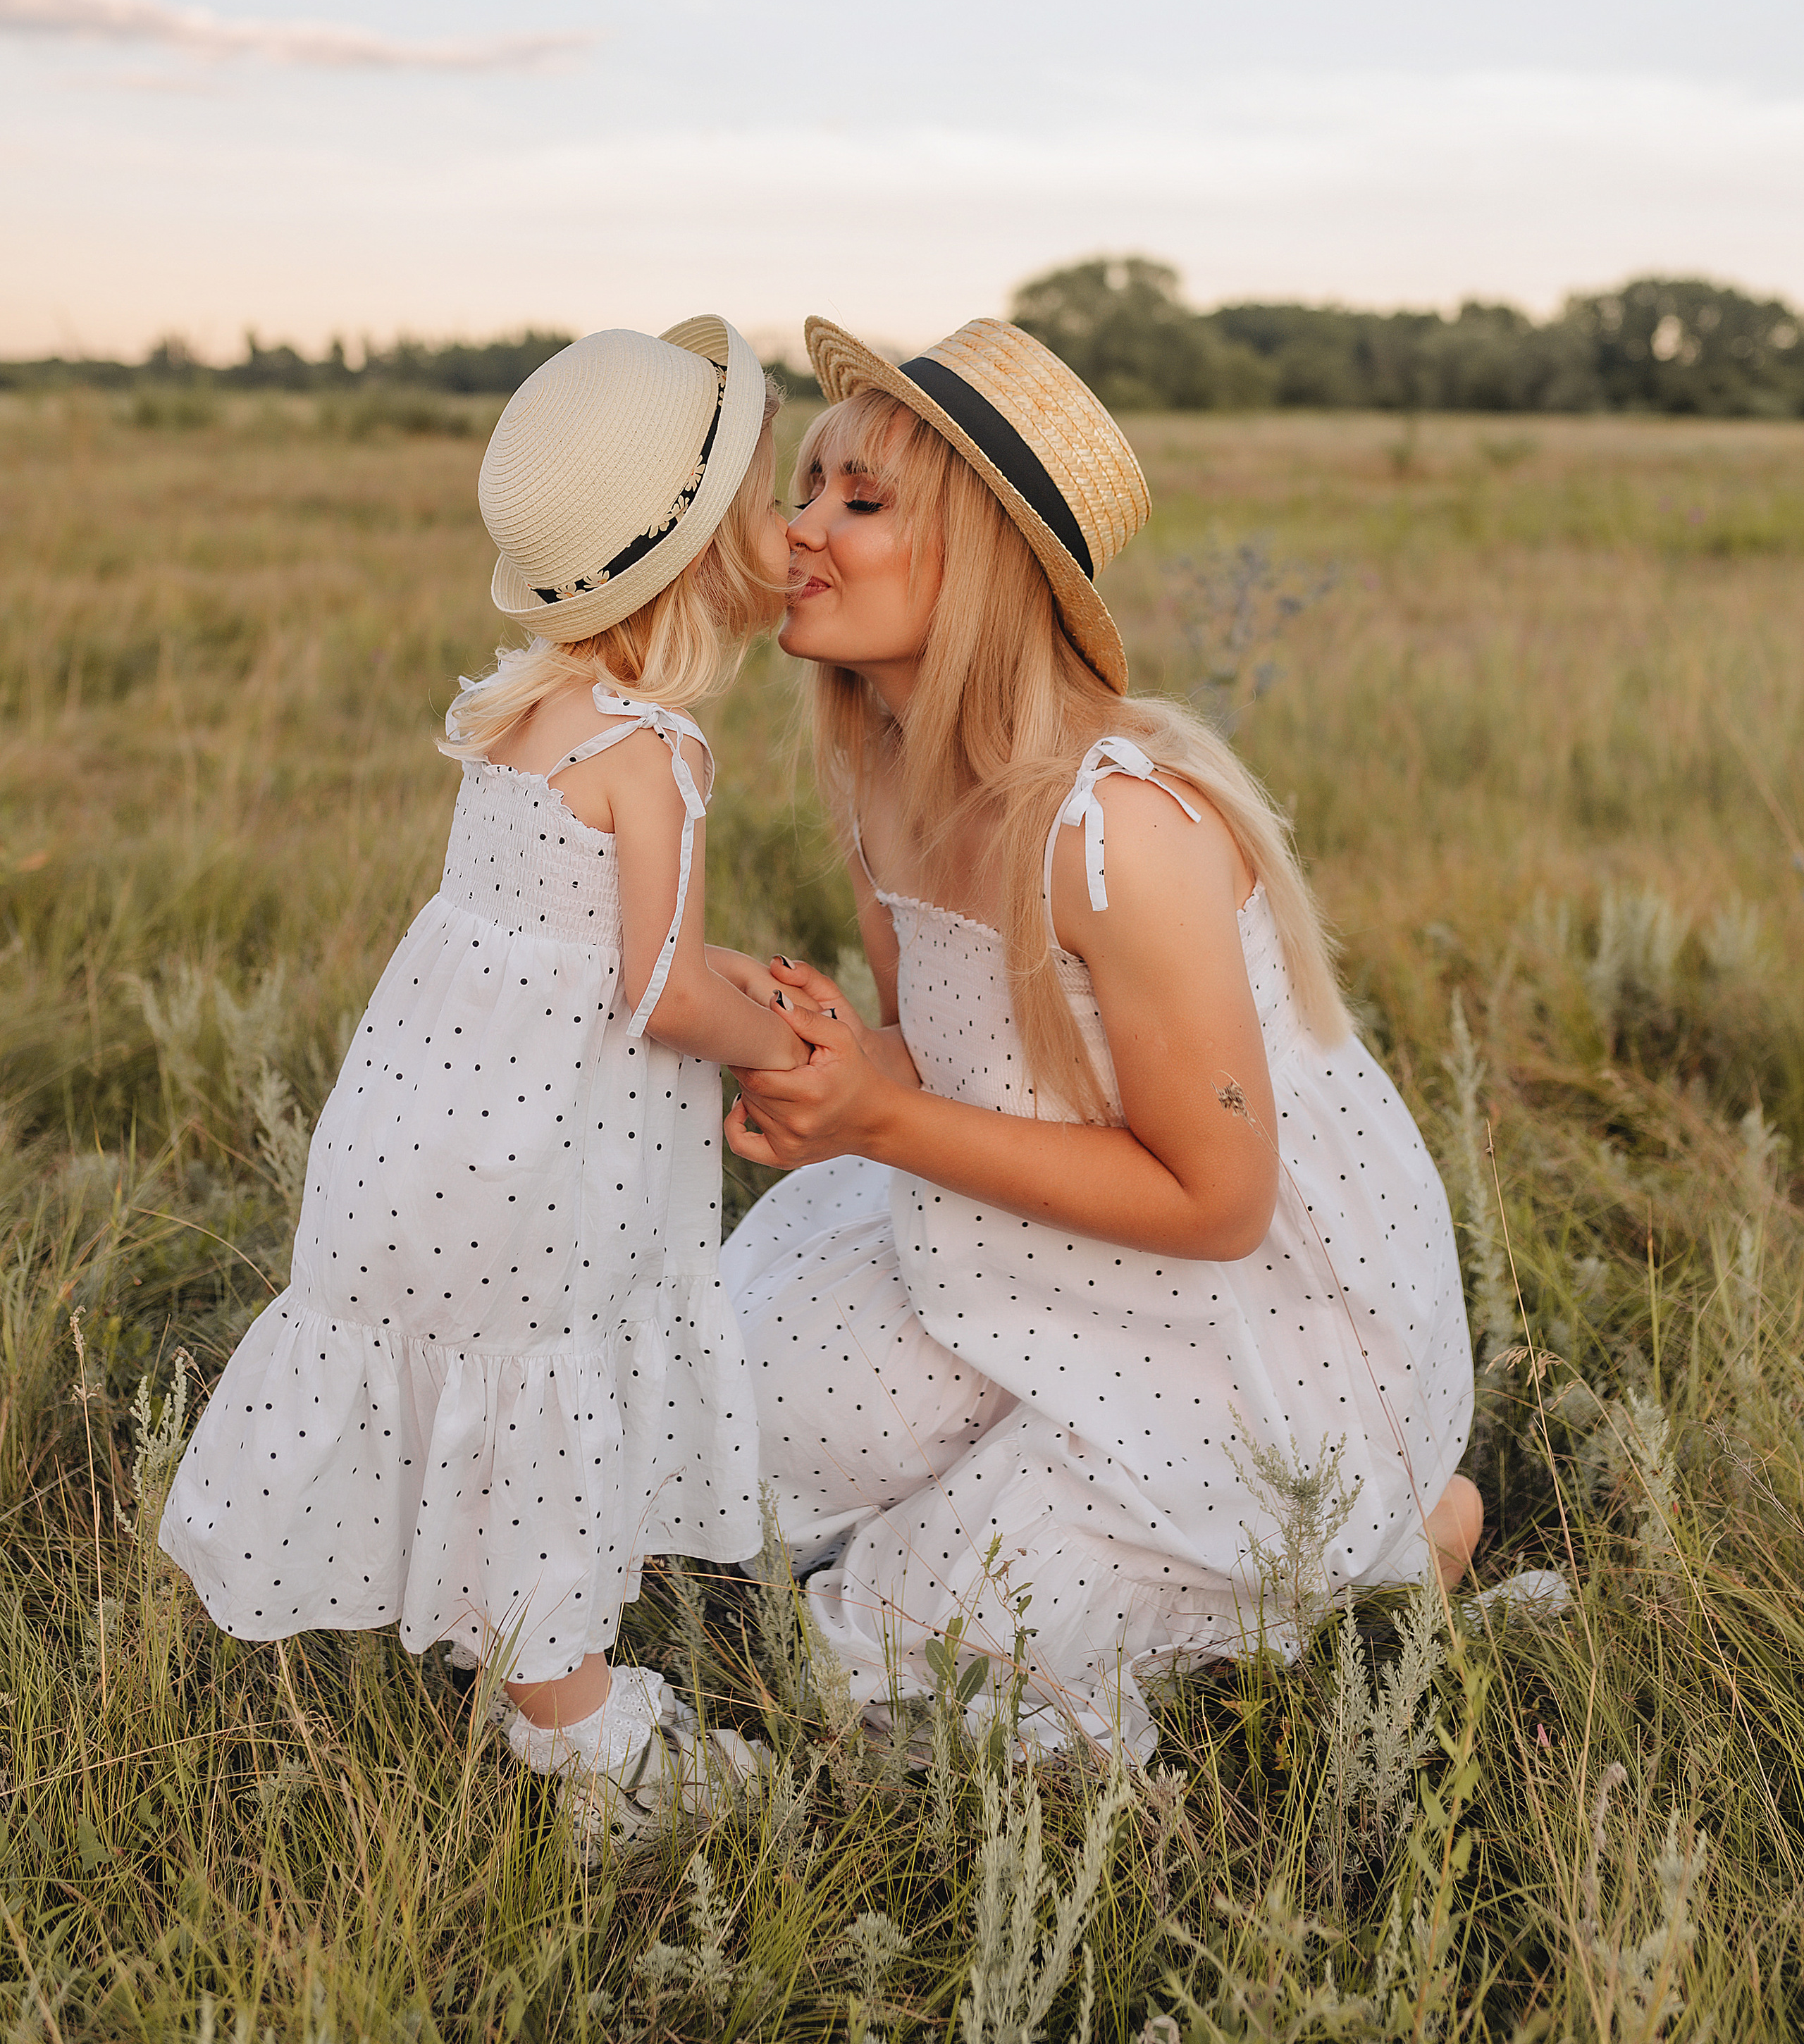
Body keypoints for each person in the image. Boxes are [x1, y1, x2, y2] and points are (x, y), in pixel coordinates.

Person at [721, 316, 1481, 1757]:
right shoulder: (879, 765)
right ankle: (1143, 1545)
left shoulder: (1116, 825)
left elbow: (1215, 1201)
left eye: (859, 502)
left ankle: (1391, 1534)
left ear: (991, 564)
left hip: (1236, 1319)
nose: (796, 530)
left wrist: (876, 1125)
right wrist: (823, 1070)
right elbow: (930, 1057)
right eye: (804, 489)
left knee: (877, 1681)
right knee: (727, 1438)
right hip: (1024, 1238)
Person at [161, 316, 807, 1795]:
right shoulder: (657, 752)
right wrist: (771, 1040)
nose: (784, 525)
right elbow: (654, 993)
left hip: (426, 1135)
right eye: (765, 501)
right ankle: (576, 1744)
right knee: (545, 1390)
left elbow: (575, 942)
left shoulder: (529, 721)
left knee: (481, 1374)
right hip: (549, 1162)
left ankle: (499, 1634)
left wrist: (731, 969)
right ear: (704, 558)